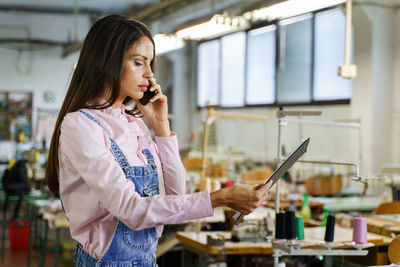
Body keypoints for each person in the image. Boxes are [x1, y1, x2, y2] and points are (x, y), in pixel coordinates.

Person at [45, 14, 269, 266]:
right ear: (107, 61)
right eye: (139, 62)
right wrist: (219, 199)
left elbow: (175, 194)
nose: (150, 74)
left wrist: (161, 127)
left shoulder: (135, 125)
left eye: (150, 63)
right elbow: (131, 210)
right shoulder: (81, 125)